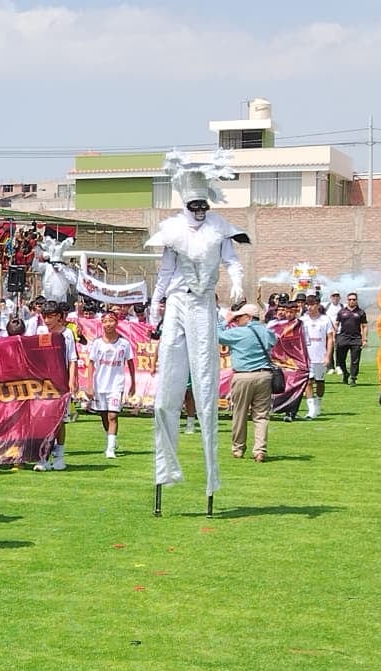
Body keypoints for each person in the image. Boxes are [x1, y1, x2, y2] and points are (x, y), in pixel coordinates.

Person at [146, 152, 247, 513]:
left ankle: (210, 477)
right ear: (186, 204)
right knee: (164, 397)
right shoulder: (173, 230)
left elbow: (232, 261)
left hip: (203, 304)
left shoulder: (220, 228)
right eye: (195, 204)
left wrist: (238, 284)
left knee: (205, 385)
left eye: (205, 204)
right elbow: (165, 271)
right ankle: (165, 470)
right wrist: (156, 304)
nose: (201, 209)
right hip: (177, 303)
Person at [217, 303, 275, 462]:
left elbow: (216, 335)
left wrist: (225, 321)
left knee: (240, 413)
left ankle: (238, 448)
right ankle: (260, 451)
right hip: (264, 375)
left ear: (248, 317)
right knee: (262, 416)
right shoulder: (266, 331)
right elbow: (273, 341)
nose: (236, 320)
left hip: (243, 376)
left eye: (239, 317)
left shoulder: (238, 332)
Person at [87, 312, 137, 459]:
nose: (108, 324)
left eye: (111, 321)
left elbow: (130, 363)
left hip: (116, 385)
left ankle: (110, 449)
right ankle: (112, 439)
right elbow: (91, 363)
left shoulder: (124, 343)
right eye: (105, 321)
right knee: (104, 415)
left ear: (116, 323)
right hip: (100, 384)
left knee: (113, 415)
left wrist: (133, 383)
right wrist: (89, 385)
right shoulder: (97, 343)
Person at [35, 301, 77, 472]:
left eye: (50, 316)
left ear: (59, 317)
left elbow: (72, 359)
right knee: (42, 420)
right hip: (43, 383)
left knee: (59, 421)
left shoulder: (67, 334)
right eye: (44, 316)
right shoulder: (40, 331)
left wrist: (72, 381)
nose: (47, 320)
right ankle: (43, 457)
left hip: (60, 381)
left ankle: (59, 456)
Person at [300, 296, 334, 419]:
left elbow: (330, 338)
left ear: (318, 305)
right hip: (307, 356)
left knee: (320, 382)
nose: (309, 307)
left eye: (312, 304)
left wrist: (328, 355)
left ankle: (318, 403)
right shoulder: (303, 320)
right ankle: (311, 410)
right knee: (308, 381)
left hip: (320, 355)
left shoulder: (325, 320)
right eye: (307, 304)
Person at [334, 291, 368, 386]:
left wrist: (364, 339)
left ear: (356, 300)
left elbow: (364, 326)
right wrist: (334, 337)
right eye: (350, 299)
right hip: (343, 338)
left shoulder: (361, 312)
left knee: (355, 360)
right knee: (340, 360)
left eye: (354, 299)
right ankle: (345, 373)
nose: (352, 301)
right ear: (347, 300)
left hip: (356, 339)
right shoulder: (342, 312)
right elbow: (336, 324)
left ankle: (353, 378)